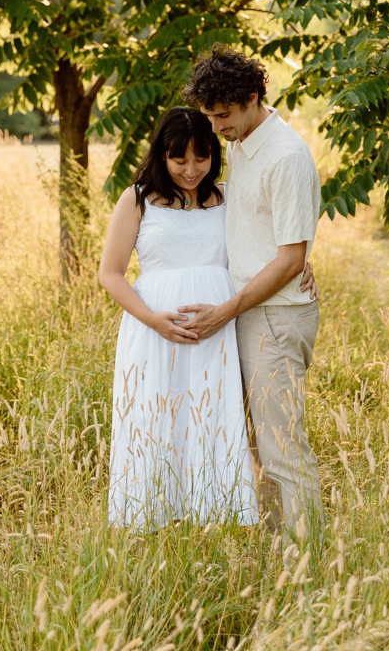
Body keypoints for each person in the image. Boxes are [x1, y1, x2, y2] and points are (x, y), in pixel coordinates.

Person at [180, 45, 322, 535]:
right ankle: (277, 553)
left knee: (283, 449)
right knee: (256, 447)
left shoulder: (285, 156)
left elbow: (289, 259)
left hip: (275, 318)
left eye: (223, 116)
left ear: (253, 97)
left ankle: (307, 565)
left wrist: (225, 310)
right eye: (210, 117)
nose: (216, 129)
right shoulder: (243, 142)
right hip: (251, 310)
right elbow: (269, 239)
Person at [98, 106, 258, 529]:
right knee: (157, 420)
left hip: (217, 332)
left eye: (201, 158)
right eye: (179, 159)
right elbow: (110, 273)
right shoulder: (137, 198)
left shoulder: (227, 196)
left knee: (211, 419)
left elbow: (267, 246)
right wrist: (153, 320)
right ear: (161, 154)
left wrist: (303, 263)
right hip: (154, 332)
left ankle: (216, 518)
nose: (191, 170)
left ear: (213, 156)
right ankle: (152, 517)